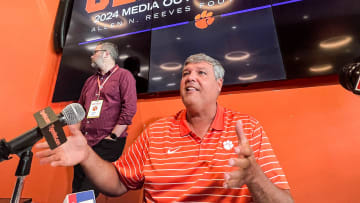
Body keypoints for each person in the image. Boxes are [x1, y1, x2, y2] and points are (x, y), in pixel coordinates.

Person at [36, 53, 293, 202]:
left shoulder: (247, 128)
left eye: (201, 73)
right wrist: (86, 156)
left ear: (219, 84)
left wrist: (254, 177)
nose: (190, 77)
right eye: (185, 73)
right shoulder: (156, 132)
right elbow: (116, 183)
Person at [72, 41, 137, 197]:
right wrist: (77, 134)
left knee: (86, 190)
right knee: (78, 187)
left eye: (95, 52)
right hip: (85, 142)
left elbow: (129, 109)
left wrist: (113, 136)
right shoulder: (90, 81)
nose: (91, 55)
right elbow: (79, 109)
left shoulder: (124, 76)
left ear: (106, 53)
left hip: (107, 142)